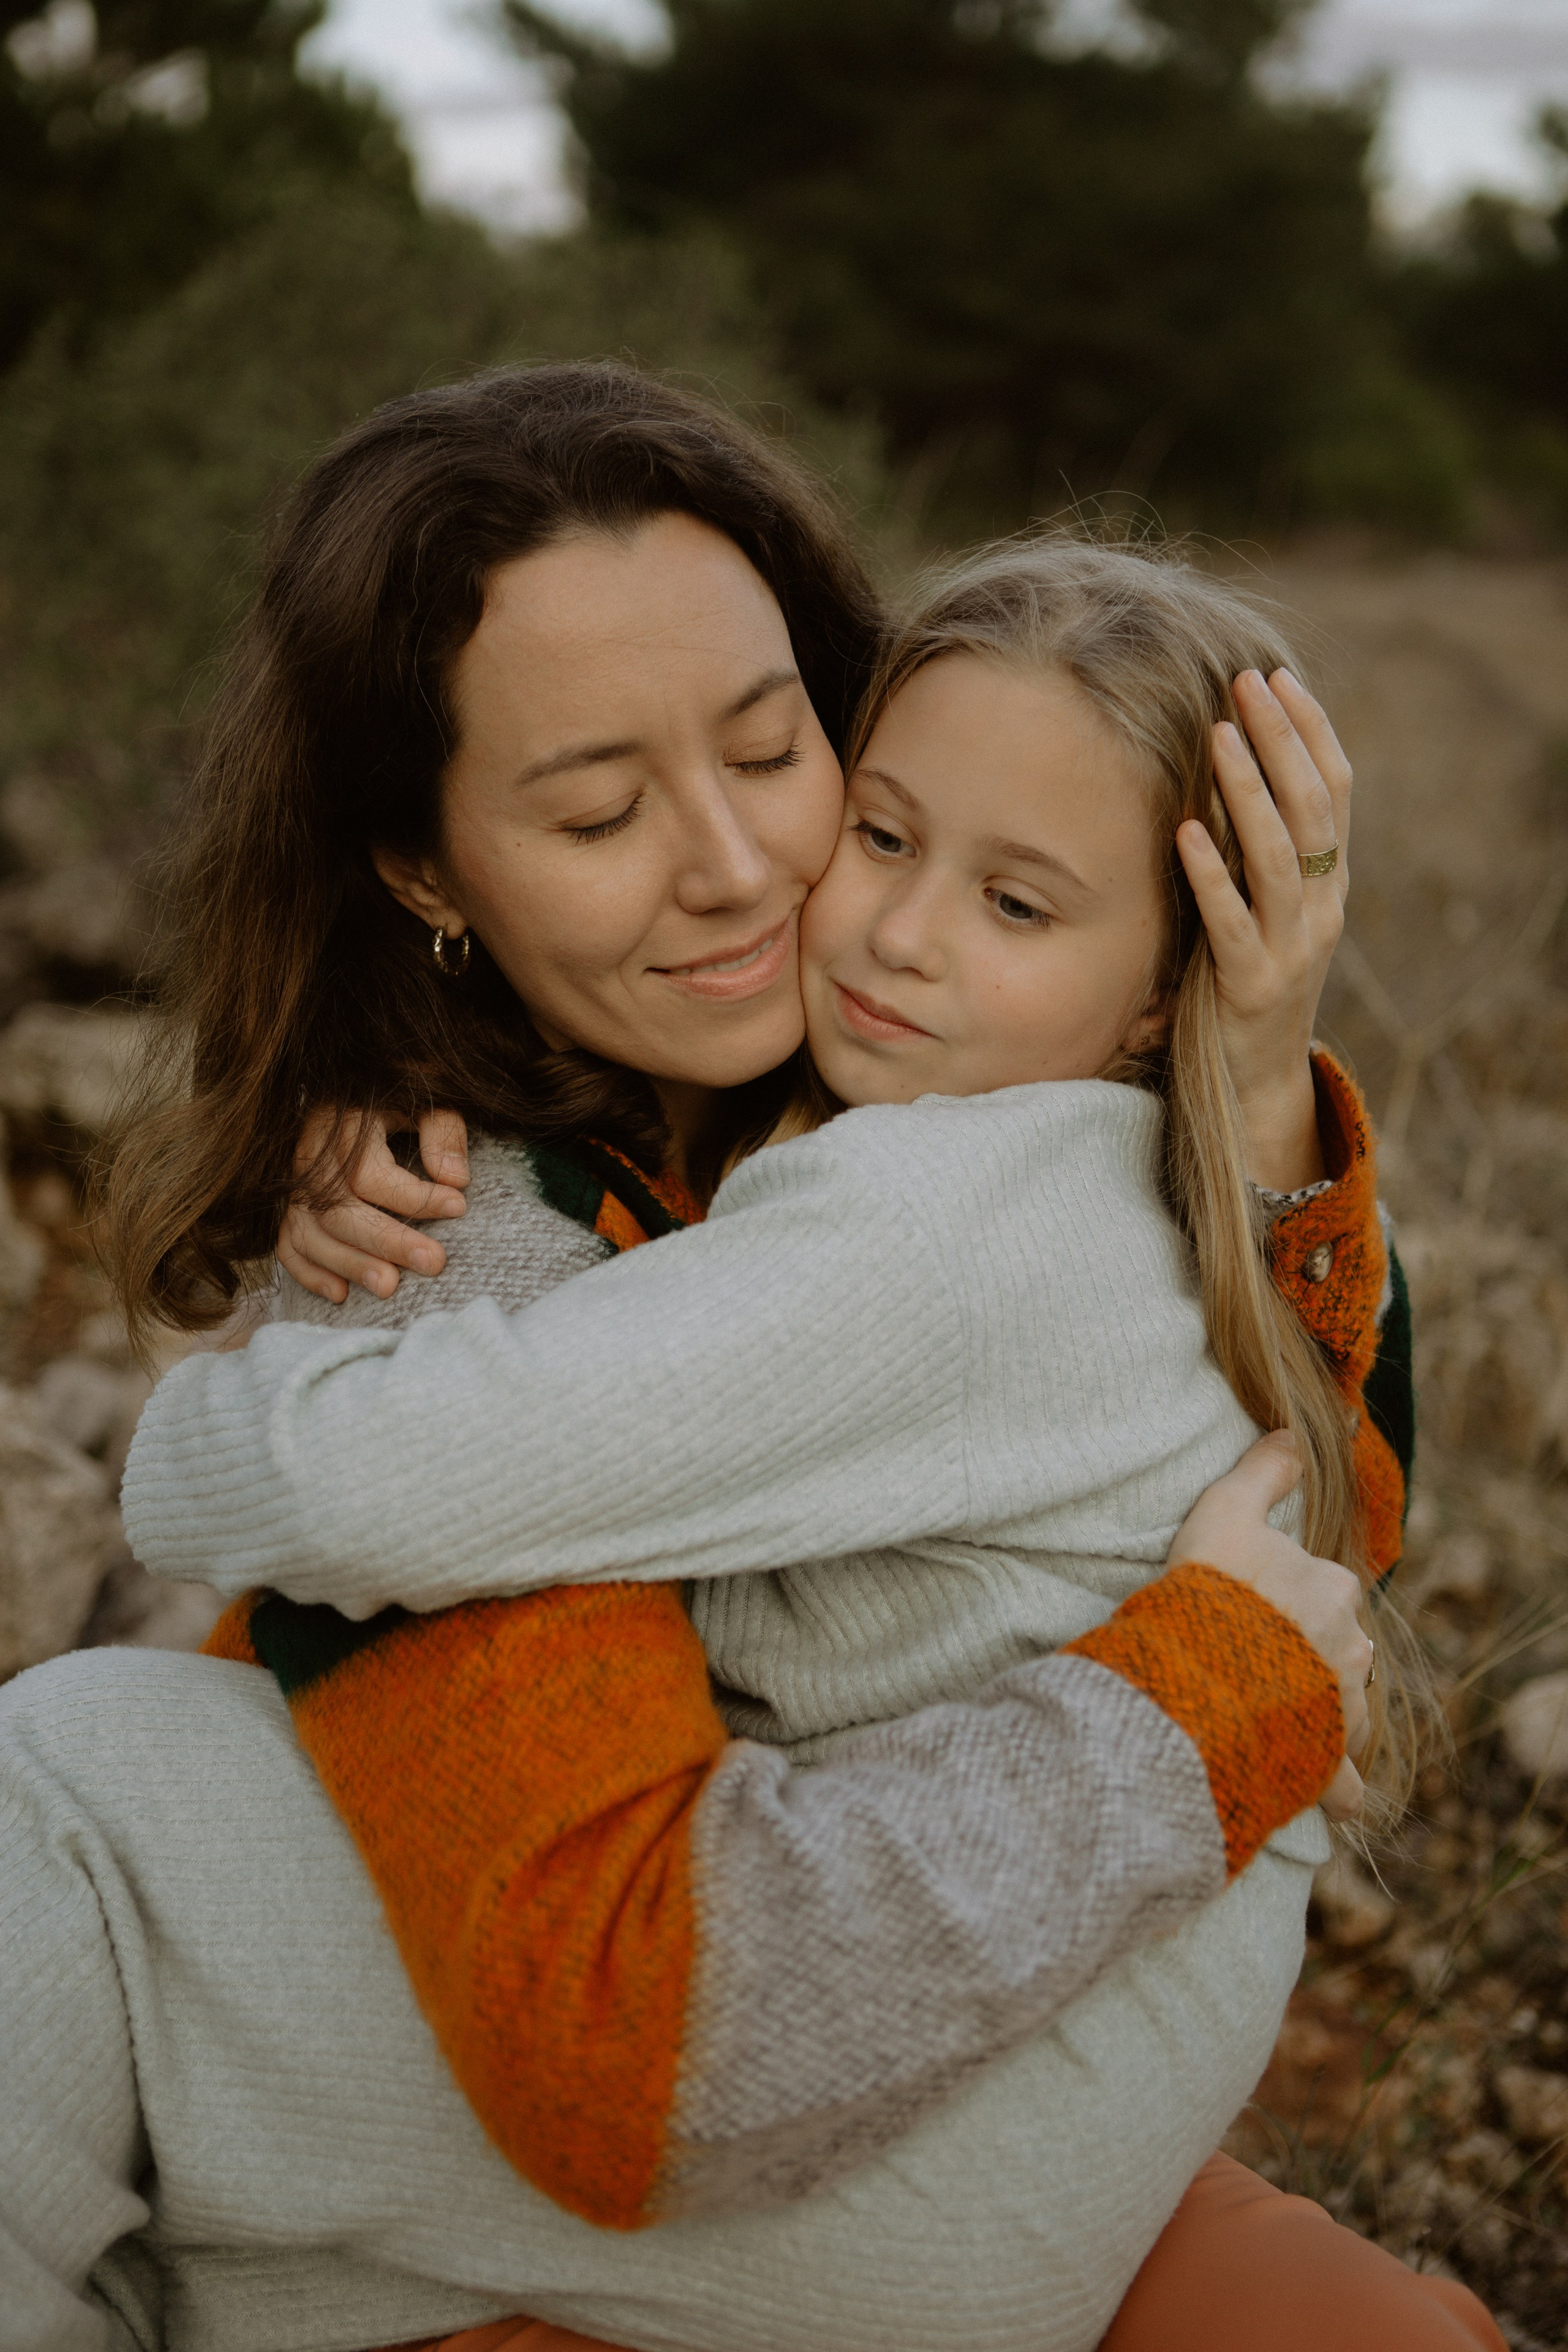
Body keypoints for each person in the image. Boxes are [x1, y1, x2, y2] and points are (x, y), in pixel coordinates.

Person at [0, 368, 1480, 2352]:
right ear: (423, 871)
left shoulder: (912, 1121)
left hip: (937, 2140)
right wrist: (1194, 1710)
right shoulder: (466, 1236)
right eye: (598, 810)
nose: (747, 876)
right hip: (835, 2087)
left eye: (781, 753)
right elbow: (639, 2040)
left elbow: (1335, 1481)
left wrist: (1246, 1059)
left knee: (65, 1781)